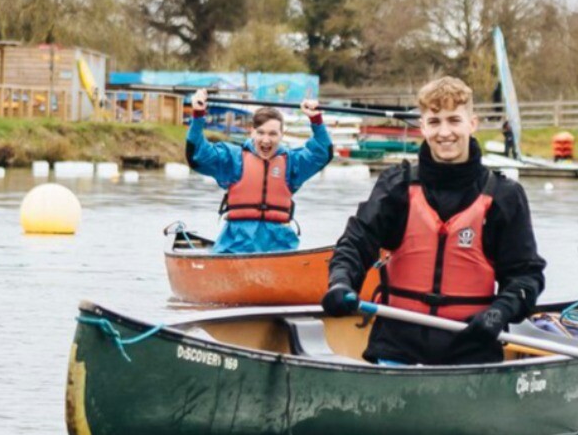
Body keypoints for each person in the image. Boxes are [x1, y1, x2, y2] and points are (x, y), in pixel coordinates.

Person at [321, 76, 546, 366]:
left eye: (454, 120)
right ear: (423, 126)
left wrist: (499, 312)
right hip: (396, 348)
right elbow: (355, 244)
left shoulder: (505, 196)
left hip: (471, 350)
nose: (445, 132)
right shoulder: (397, 186)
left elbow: (526, 276)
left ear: (472, 123)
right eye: (435, 121)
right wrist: (340, 283)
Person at [185, 87, 333, 254]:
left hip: (280, 247)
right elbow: (198, 155)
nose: (266, 140)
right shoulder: (233, 159)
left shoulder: (292, 162)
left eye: (273, 134)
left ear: (282, 135)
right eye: (261, 132)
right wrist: (198, 114)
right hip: (235, 246)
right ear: (252, 132)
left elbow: (322, 153)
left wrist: (316, 120)